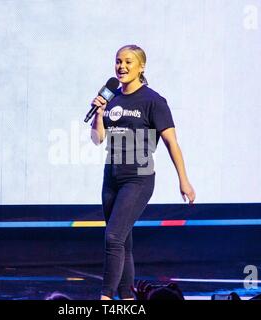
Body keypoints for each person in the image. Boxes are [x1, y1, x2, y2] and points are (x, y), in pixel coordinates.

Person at [90, 45, 196, 300]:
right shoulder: (111, 98)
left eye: (128, 62)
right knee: (123, 242)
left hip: (138, 177)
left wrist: (184, 179)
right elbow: (97, 139)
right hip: (112, 176)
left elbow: (172, 142)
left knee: (113, 237)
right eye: (118, 61)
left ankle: (105, 298)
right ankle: (127, 298)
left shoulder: (153, 101)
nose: (121, 67)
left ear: (141, 67)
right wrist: (99, 113)